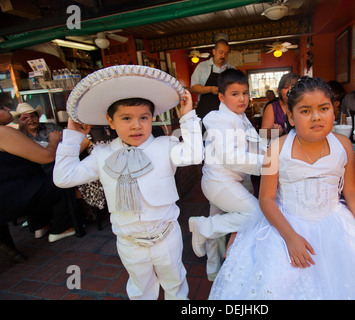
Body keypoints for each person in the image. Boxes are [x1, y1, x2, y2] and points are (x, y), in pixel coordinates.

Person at [208, 76, 355, 300]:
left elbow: (353, 195)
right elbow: (267, 199)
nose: (316, 117)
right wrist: (291, 238)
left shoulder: (343, 146)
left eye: (323, 109)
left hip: (337, 225)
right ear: (291, 118)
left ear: (333, 111)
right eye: (305, 111)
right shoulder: (277, 148)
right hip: (287, 226)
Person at [53, 65, 203, 300]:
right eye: (126, 118)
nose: (136, 125)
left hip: (166, 235)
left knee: (175, 282)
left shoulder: (165, 146)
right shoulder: (101, 154)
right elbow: (64, 178)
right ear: (110, 122)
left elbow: (194, 155)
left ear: (152, 118)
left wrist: (188, 117)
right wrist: (73, 136)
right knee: (141, 288)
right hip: (129, 241)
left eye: (144, 118)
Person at [188, 69, 266, 281]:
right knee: (257, 215)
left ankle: (213, 271)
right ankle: (203, 227)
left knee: (220, 224)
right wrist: (268, 164)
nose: (242, 98)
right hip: (219, 182)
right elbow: (231, 157)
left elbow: (255, 148)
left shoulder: (241, 117)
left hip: (236, 180)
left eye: (245, 93)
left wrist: (274, 151)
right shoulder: (217, 118)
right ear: (221, 97)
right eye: (235, 94)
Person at [0, 104, 74, 263]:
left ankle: (40, 225)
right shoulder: (3, 132)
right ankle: (60, 228)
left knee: (38, 182)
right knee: (60, 184)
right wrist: (53, 141)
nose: (7, 108)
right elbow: (46, 157)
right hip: (14, 194)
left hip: (10, 191)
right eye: (1, 107)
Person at [190, 39, 234, 119]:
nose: (223, 56)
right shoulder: (202, 67)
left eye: (226, 53)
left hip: (226, 113)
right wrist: (211, 89)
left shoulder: (231, 69)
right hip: (205, 112)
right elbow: (193, 87)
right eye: (221, 52)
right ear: (214, 51)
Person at [261, 73, 300, 139]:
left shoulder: (307, 106)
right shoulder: (272, 107)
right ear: (279, 91)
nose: (290, 90)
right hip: (279, 147)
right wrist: (274, 132)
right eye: (286, 87)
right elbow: (263, 134)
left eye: (294, 87)